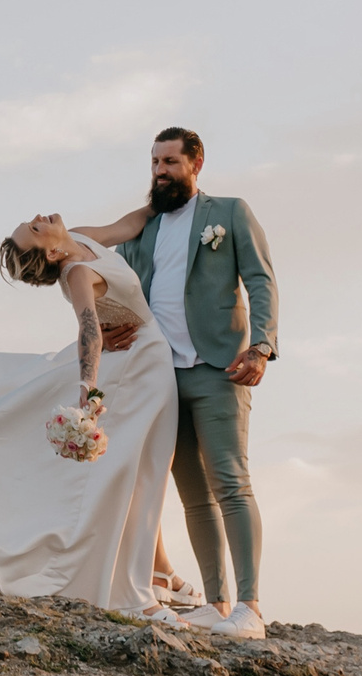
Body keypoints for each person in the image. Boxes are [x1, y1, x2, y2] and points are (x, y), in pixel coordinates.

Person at [0, 211, 186, 625]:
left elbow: (127, 227)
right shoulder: (77, 273)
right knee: (139, 475)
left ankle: (155, 573)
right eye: (33, 229)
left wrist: (165, 194)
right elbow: (90, 331)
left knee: (151, 470)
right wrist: (88, 391)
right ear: (48, 250)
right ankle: (136, 593)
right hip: (137, 370)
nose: (37, 219)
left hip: (150, 357)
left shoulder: (80, 237)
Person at [83, 127, 278, 641]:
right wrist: (108, 322)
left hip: (219, 367)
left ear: (196, 162)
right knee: (192, 495)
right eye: (154, 162)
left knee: (231, 485)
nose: (160, 171)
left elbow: (260, 279)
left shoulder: (230, 213)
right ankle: (216, 604)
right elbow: (120, 286)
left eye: (170, 161)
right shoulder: (142, 230)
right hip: (160, 377)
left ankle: (251, 607)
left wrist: (261, 345)